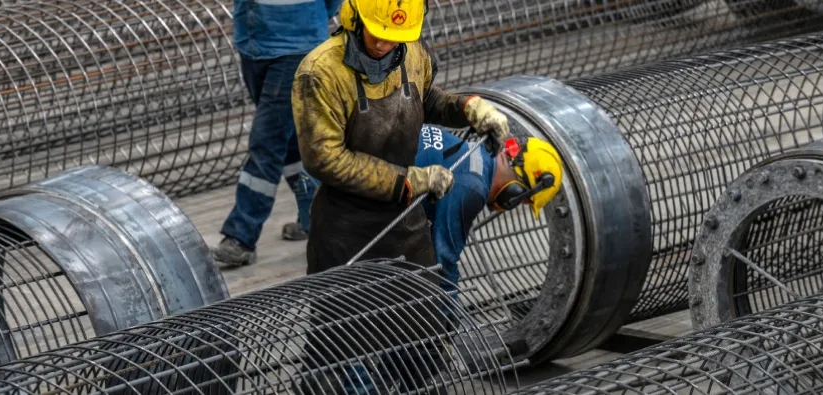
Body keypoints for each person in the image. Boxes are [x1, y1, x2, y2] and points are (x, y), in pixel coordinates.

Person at [289, 0, 510, 391]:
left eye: (397, 38)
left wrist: (468, 108)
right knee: (342, 347)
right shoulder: (320, 73)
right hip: (346, 233)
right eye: (378, 35)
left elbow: (425, 101)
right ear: (353, 18)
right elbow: (324, 159)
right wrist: (407, 181)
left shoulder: (412, 55)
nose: (385, 45)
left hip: (404, 226)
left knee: (421, 332)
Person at [211, 0, 343, 268]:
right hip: (253, 46)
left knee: (266, 141)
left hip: (296, 48)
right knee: (291, 142)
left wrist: (307, 22)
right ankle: (314, 217)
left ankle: (242, 235)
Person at [413, 125, 564, 302]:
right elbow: (442, 262)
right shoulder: (472, 186)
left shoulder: (473, 152)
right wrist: (448, 316)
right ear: (515, 192)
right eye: (523, 201)